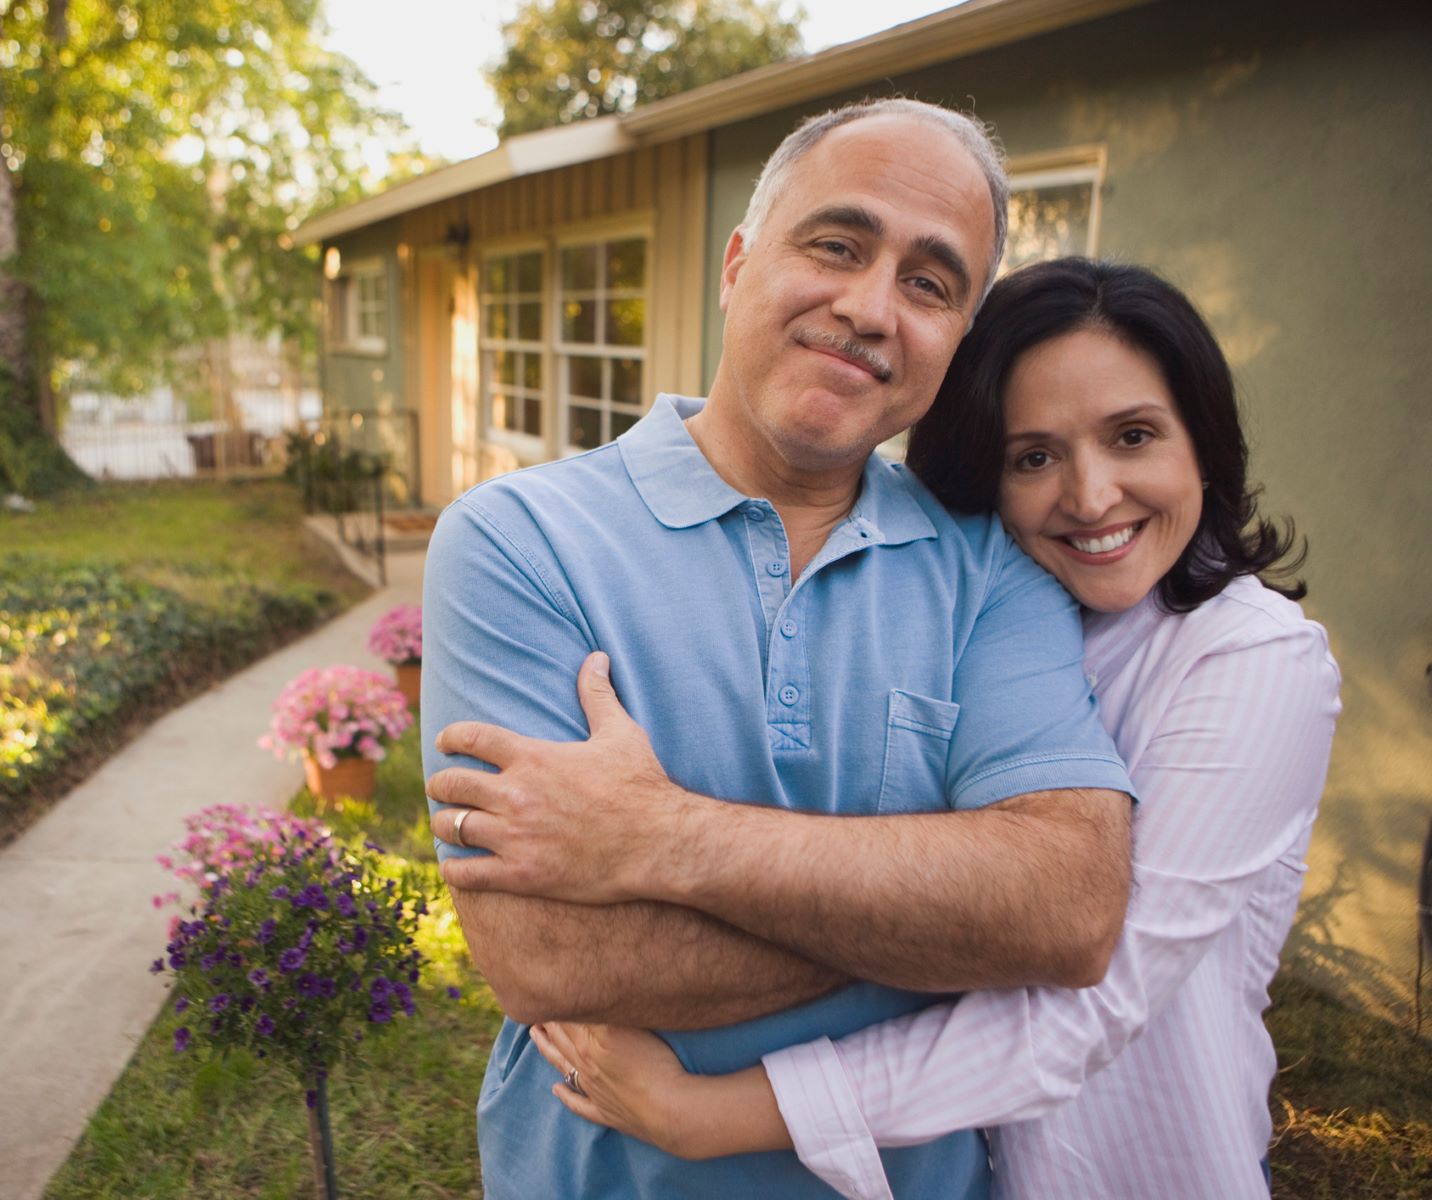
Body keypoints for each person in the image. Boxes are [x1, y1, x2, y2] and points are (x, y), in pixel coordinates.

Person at [419, 99, 1138, 1199]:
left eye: (930, 283)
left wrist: (660, 839)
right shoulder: (521, 541)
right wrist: (948, 919)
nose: (870, 306)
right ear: (738, 264)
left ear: (955, 340)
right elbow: (548, 958)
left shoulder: (994, 565)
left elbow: (1068, 909)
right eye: (837, 245)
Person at [502, 259, 1341, 1199]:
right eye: (1034, 456)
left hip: (1142, 1169)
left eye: (1133, 436)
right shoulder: (994, 603)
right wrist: (942, 907)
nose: (1092, 495)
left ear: (1204, 445)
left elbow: (1089, 992)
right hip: (971, 1170)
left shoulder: (1252, 657)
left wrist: (712, 1113)